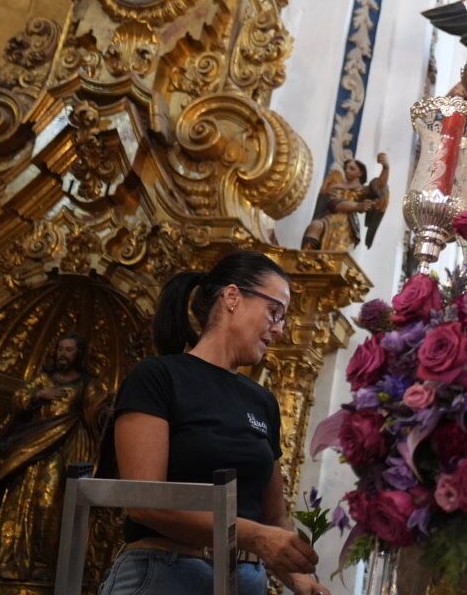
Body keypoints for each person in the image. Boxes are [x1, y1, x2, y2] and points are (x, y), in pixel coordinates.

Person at [96, 251, 328, 595]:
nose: (279, 330)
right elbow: (143, 501)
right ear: (232, 297)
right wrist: (253, 535)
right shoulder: (158, 377)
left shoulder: (262, 401)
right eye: (274, 312)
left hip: (244, 581)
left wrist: (300, 579)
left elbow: (274, 517)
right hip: (166, 573)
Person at [0, 332, 109, 581]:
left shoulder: (86, 384)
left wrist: (107, 412)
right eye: (61, 349)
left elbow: (97, 410)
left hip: (60, 454)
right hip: (29, 453)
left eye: (69, 350)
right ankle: (8, 562)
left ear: (79, 354)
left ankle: (42, 563)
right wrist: (39, 395)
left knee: (47, 506)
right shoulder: (44, 379)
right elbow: (18, 400)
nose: (63, 354)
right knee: (17, 506)